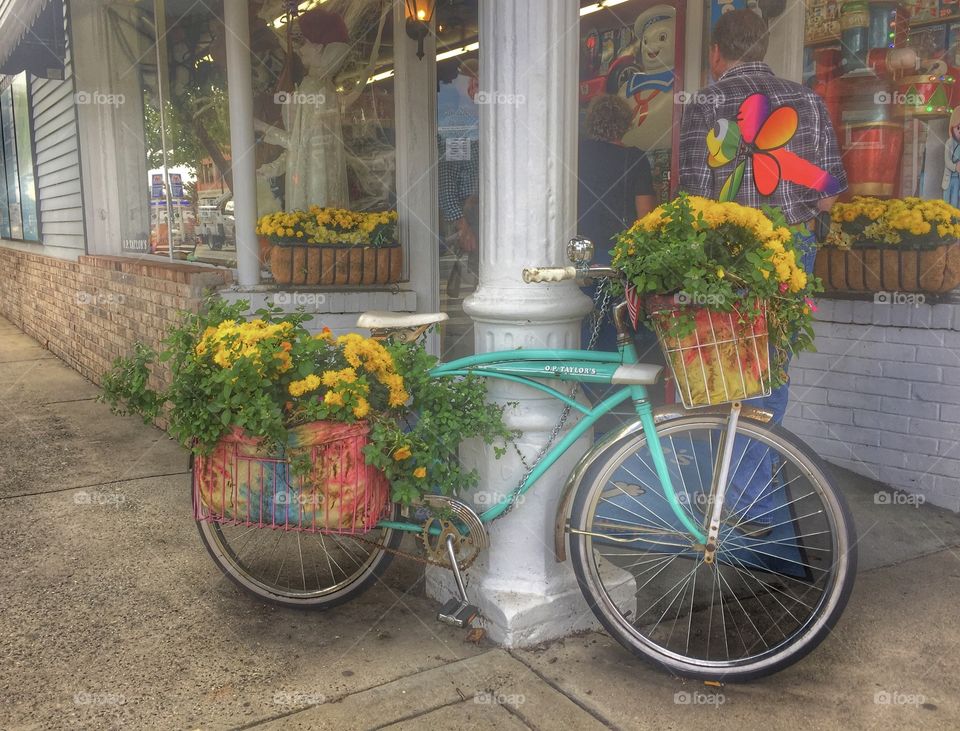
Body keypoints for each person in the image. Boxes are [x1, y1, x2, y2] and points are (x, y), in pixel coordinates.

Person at [679, 9, 847, 532]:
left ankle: (725, 494)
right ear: (764, 48)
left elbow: (691, 197)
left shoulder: (705, 103)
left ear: (716, 53)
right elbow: (829, 192)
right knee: (771, 368)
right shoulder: (808, 101)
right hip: (787, 250)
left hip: (725, 250)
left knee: (722, 362)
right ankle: (749, 495)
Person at [577, 94, 656, 355]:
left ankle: (583, 373)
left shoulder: (575, 154)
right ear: (625, 124)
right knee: (616, 323)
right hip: (616, 255)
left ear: (592, 122)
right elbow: (645, 216)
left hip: (578, 252)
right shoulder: (634, 159)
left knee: (581, 320)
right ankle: (613, 375)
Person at [438, 58, 480, 275]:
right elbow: (446, 186)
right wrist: (463, 227)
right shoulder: (457, 126)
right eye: (474, 81)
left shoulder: (494, 121)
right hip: (471, 215)